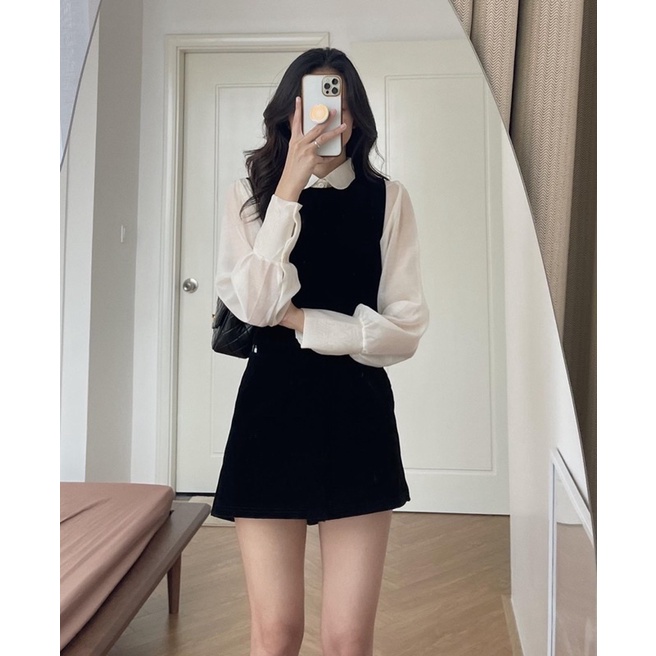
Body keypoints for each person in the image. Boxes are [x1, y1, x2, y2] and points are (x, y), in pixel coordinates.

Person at [211, 47, 429, 656]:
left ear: (356, 118)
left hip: (358, 414)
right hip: (270, 415)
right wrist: (288, 189)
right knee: (276, 634)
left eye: (342, 106)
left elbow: (405, 329)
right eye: (314, 106)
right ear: (289, 114)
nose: (330, 120)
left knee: (346, 640)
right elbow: (257, 306)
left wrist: (305, 321)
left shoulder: (389, 199)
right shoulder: (248, 196)